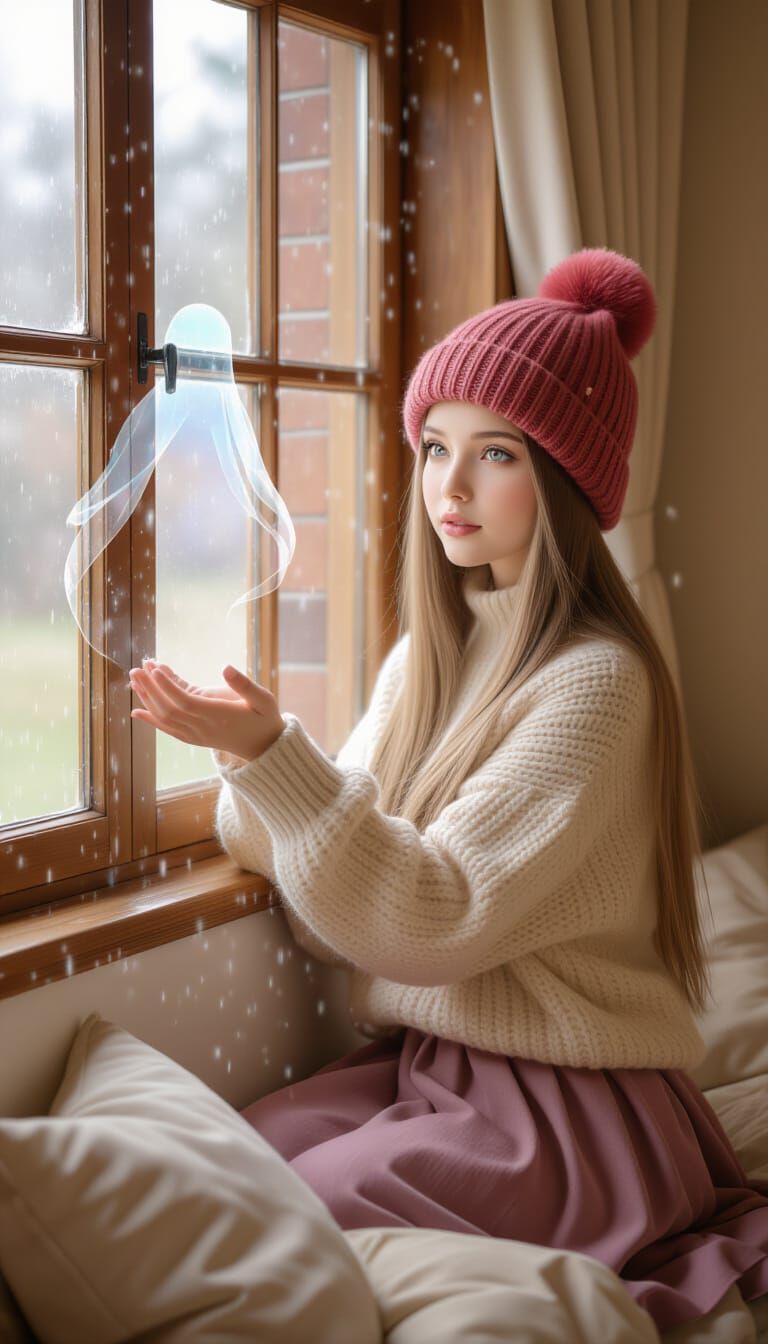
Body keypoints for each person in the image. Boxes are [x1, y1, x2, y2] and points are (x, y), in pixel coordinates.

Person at [128, 247, 768, 1335]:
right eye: (434, 448)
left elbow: (423, 922)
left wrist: (280, 757)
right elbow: (334, 898)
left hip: (570, 1103)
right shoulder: (430, 657)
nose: (449, 487)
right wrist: (249, 760)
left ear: (565, 479)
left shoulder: (597, 685)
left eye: (495, 454)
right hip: (435, 1064)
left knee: (294, 1215)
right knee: (226, 1166)